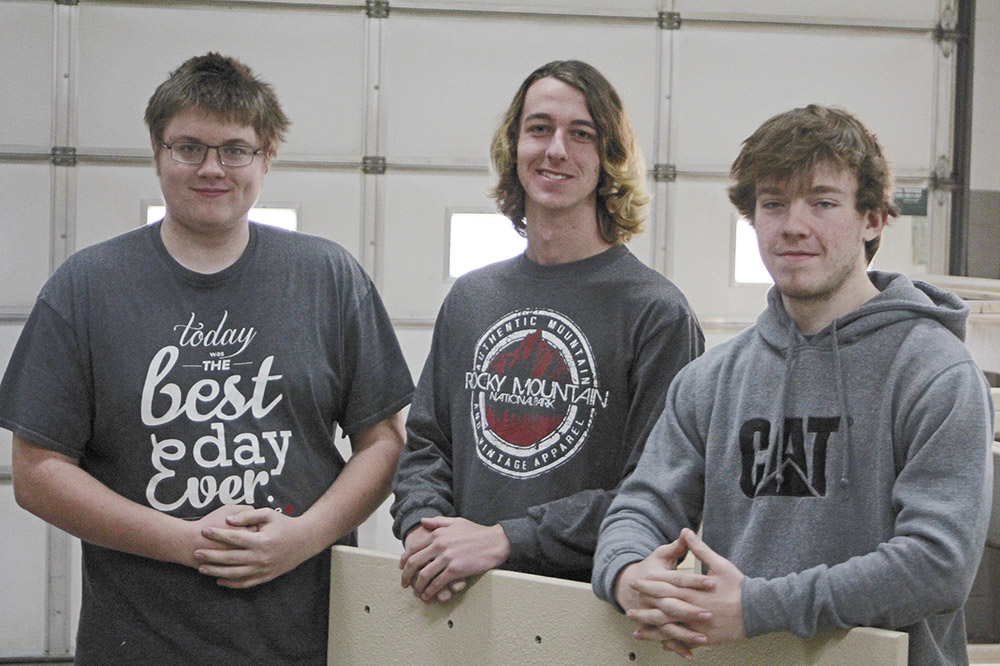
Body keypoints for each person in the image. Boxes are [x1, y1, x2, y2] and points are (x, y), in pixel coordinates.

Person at [0, 53, 414, 665]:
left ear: (267, 155)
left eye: (235, 149)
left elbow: (384, 443)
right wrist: (187, 542)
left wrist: (301, 538)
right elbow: (36, 473)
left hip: (302, 639)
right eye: (188, 147)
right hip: (137, 642)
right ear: (157, 151)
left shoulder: (328, 278)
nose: (212, 168)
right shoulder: (86, 286)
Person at [592, 104, 994, 665]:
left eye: (823, 203)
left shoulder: (935, 373)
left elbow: (936, 565)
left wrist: (758, 607)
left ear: (874, 219)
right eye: (773, 203)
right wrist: (627, 571)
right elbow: (639, 507)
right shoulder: (709, 381)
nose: (792, 225)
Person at [390, 60, 704, 604]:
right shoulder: (471, 299)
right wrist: (423, 527)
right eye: (539, 129)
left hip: (587, 613)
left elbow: (658, 493)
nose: (556, 149)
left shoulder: (657, 314)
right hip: (459, 599)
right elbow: (426, 443)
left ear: (610, 159)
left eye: (581, 134)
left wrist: (505, 539)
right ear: (514, 146)